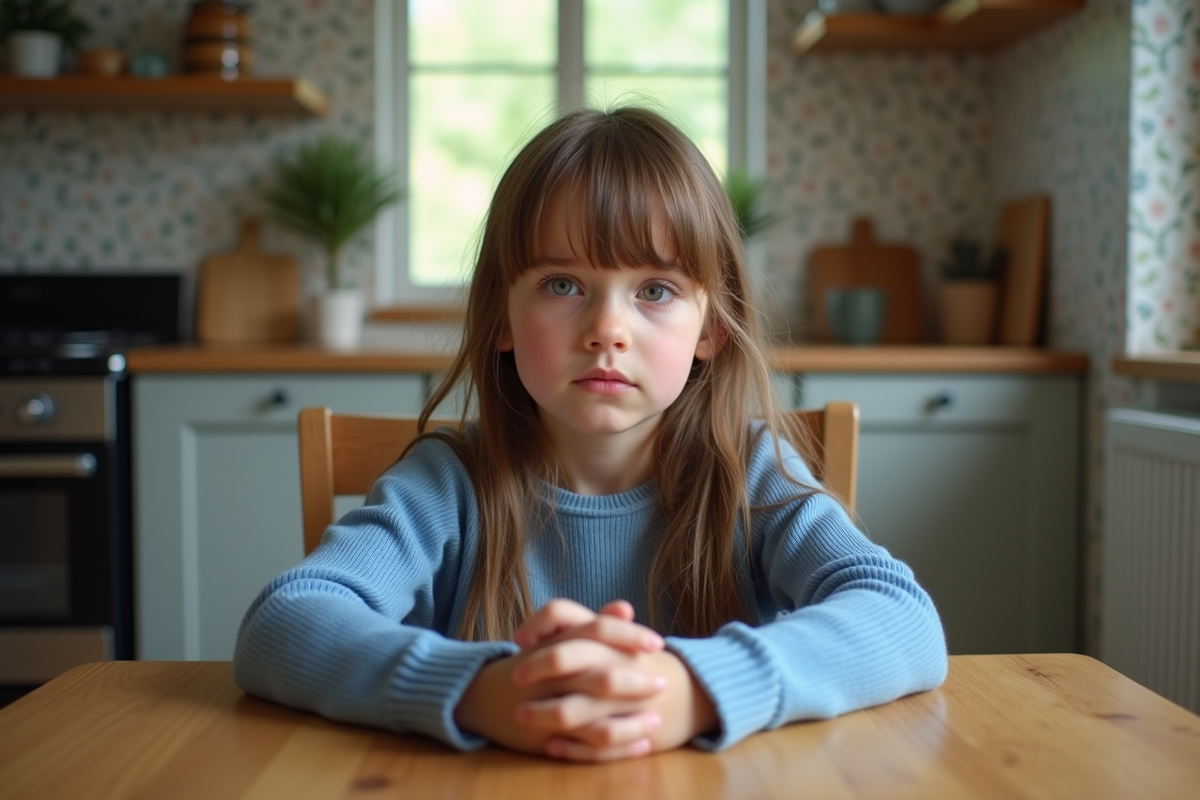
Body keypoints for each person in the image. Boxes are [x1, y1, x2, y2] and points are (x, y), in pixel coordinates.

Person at [233, 106, 947, 763]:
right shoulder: (447, 483)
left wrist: (689, 688)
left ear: (713, 328)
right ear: (502, 320)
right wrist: (482, 691)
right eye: (562, 284)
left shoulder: (751, 472)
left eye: (656, 291)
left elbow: (905, 621)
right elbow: (281, 624)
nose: (607, 329)